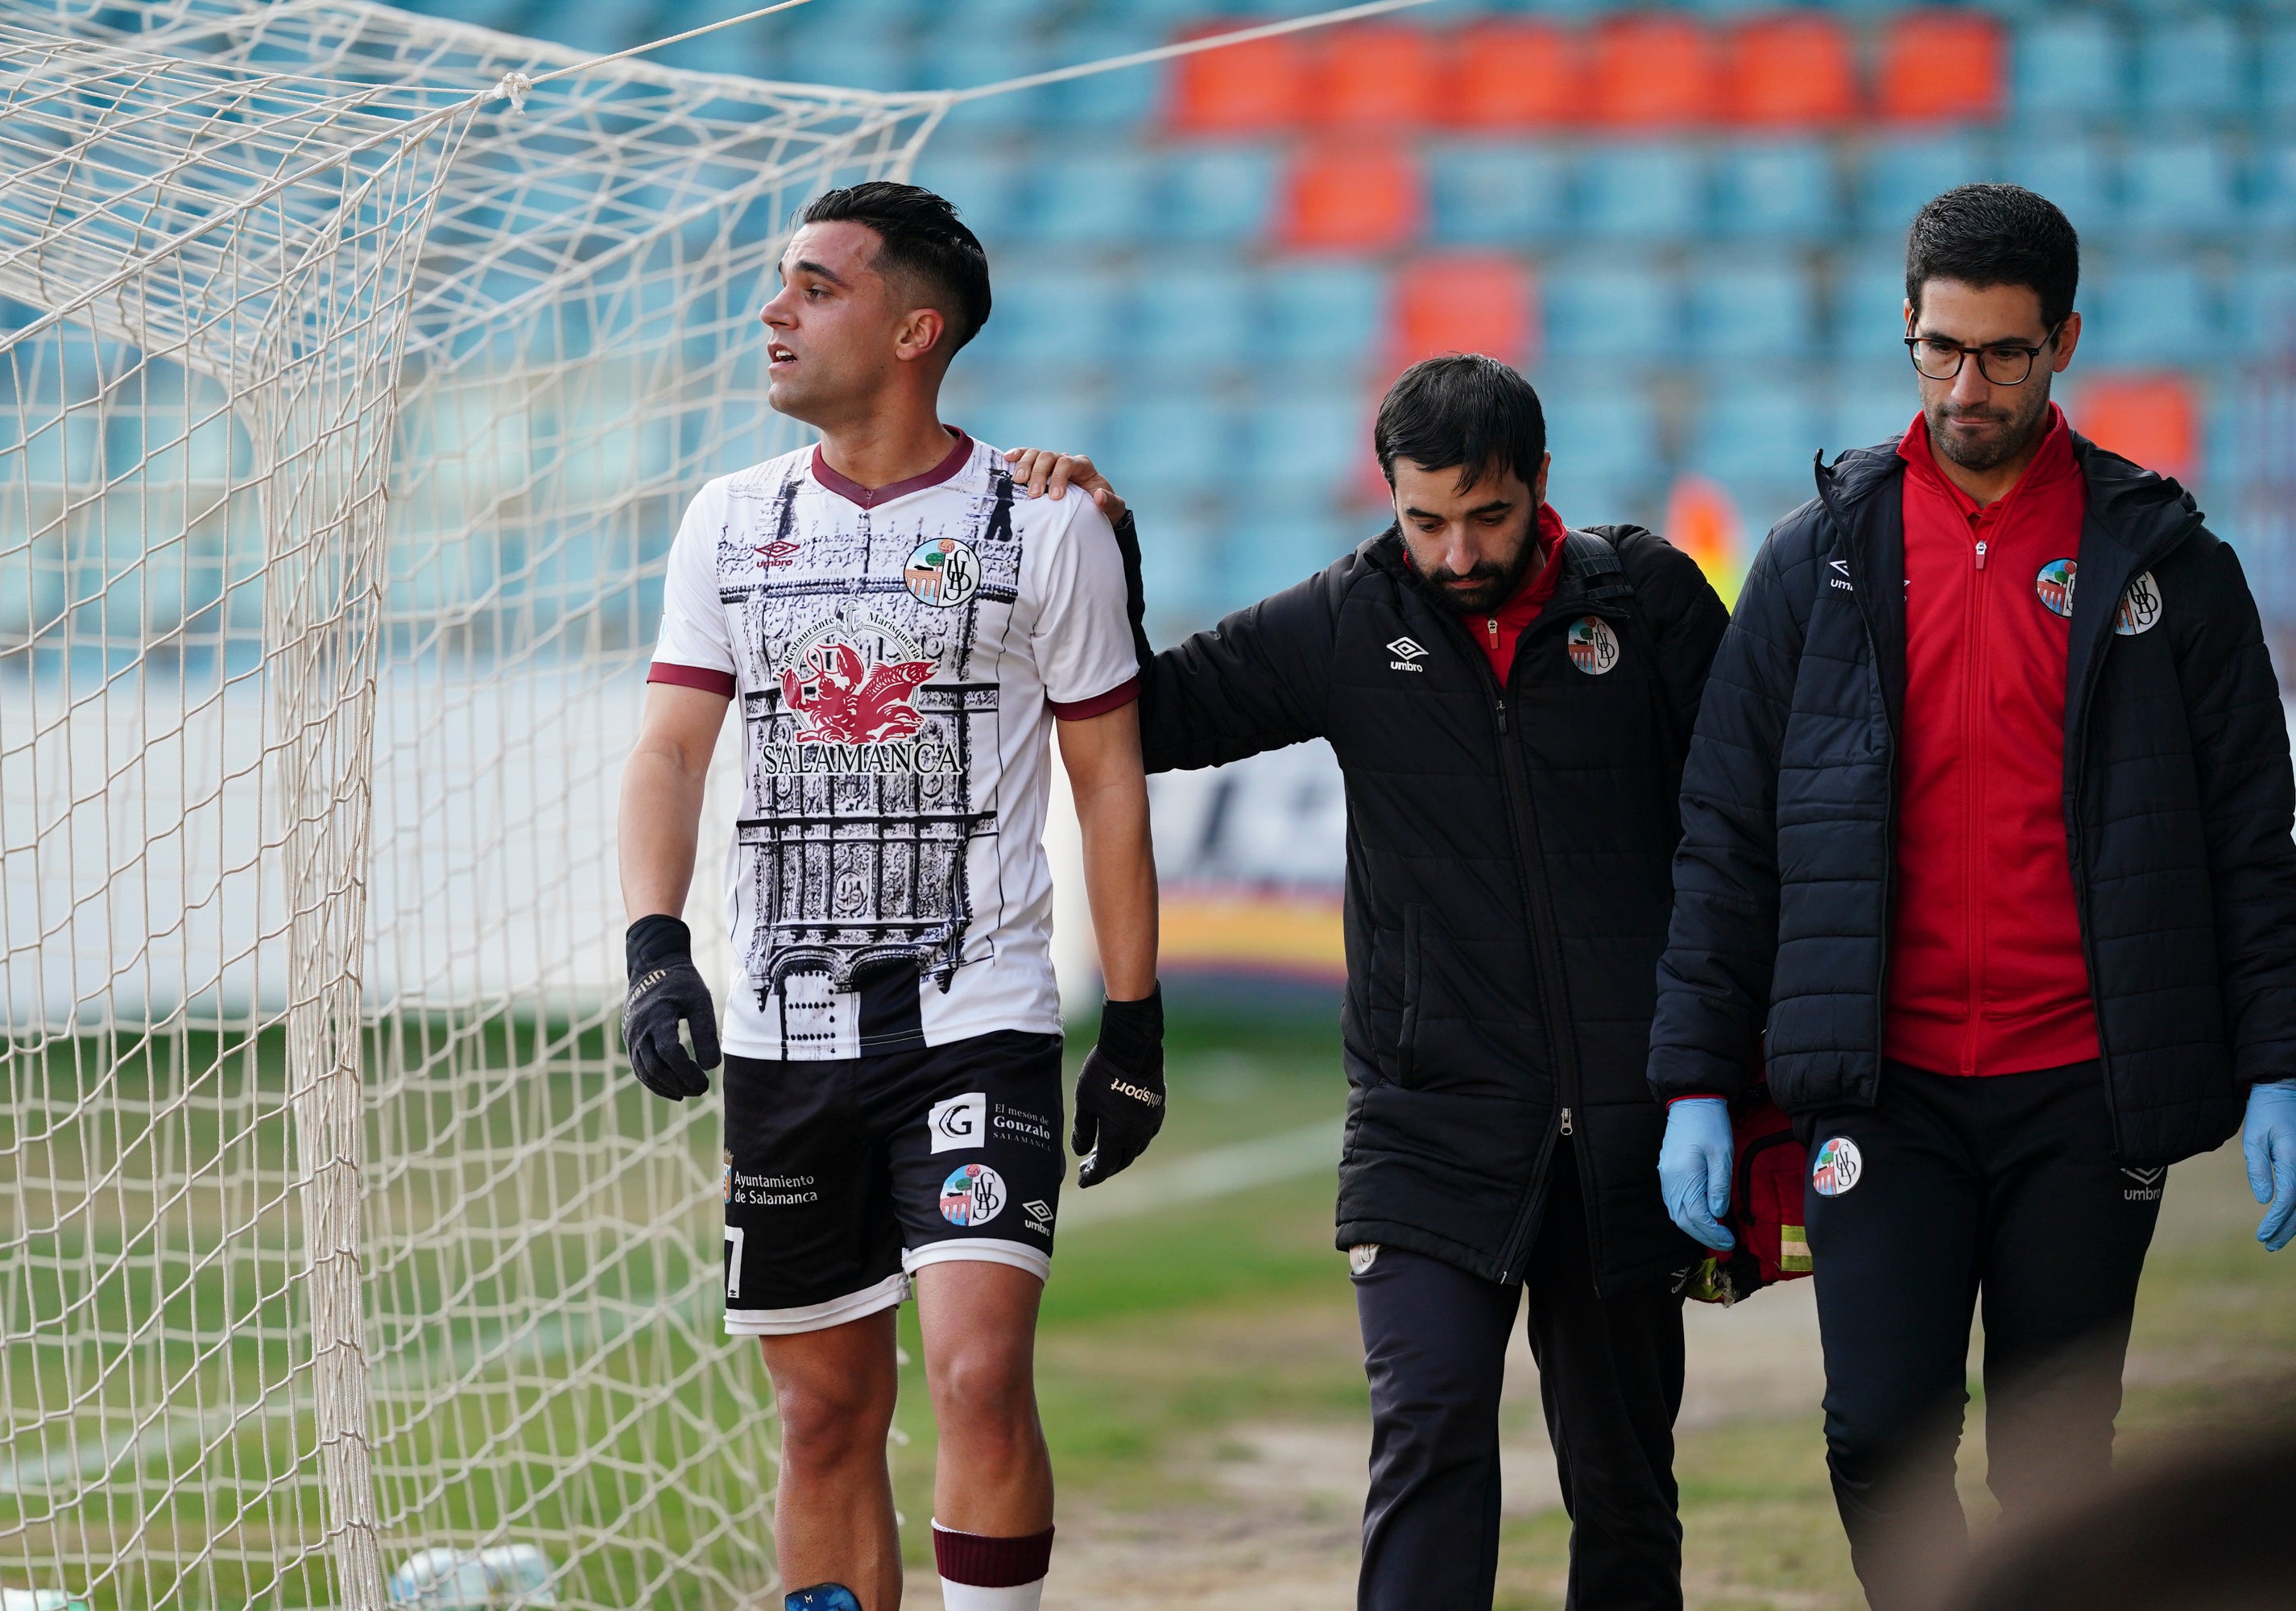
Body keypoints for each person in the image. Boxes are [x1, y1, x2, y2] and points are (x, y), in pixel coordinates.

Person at [1649, 183, 2296, 1611]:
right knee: (1879, 1438)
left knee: (2054, 1467)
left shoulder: (2169, 564)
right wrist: (1695, 1077)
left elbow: (2254, 836)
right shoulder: (1814, 563)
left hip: (2087, 1088)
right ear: (1906, 327)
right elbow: (1726, 838)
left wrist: (2279, 1059)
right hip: (1883, 1089)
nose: (1966, 387)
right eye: (1940, 349)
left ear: (2064, 341)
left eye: (2004, 354)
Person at [1008, 353, 1731, 1610]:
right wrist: (1109, 547)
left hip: (1628, 1132)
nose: (1457, 553)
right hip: (1423, 1121)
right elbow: (1156, 718)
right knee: (1429, 1437)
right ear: (1388, 494)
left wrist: (1716, 1075)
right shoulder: (1349, 617)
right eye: (1425, 520)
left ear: (1541, 480)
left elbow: (1742, 822)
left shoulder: (1647, 597)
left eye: (1488, 516)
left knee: (1625, 1487)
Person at [615, 180, 1166, 1611]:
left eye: (817, 287)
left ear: (917, 331)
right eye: (781, 282)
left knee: (980, 1377)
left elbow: (1109, 782)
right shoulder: (728, 519)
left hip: (976, 1021)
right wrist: (656, 948)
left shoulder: (1044, 523)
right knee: (821, 1415)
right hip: (784, 1037)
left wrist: (1135, 1021)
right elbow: (670, 751)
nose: (774, 311)